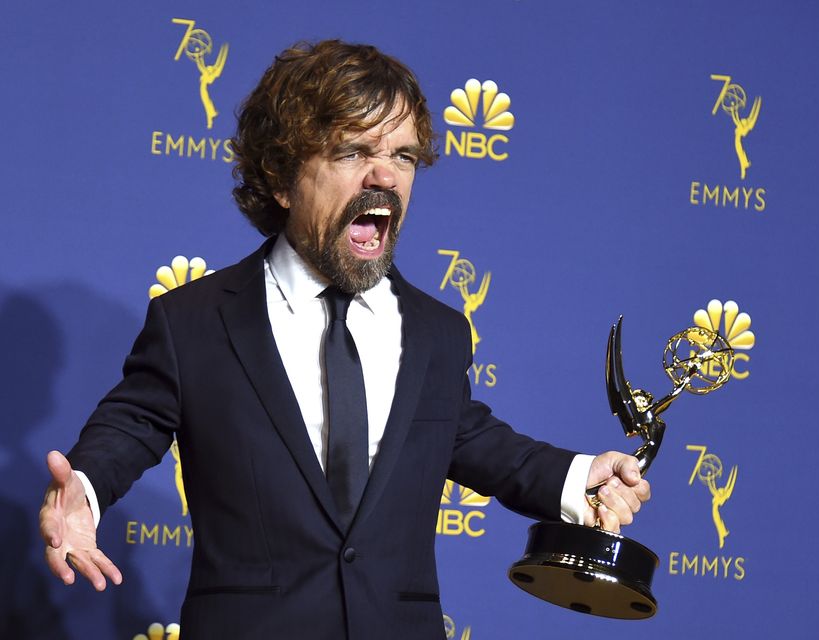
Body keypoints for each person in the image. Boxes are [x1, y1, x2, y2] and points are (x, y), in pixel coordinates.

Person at [39, 40, 650, 639]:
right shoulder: (193, 321)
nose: (385, 175)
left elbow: (471, 436)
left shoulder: (439, 332)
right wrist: (83, 493)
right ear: (281, 178)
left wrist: (579, 479)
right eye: (354, 151)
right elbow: (129, 426)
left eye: (405, 157)